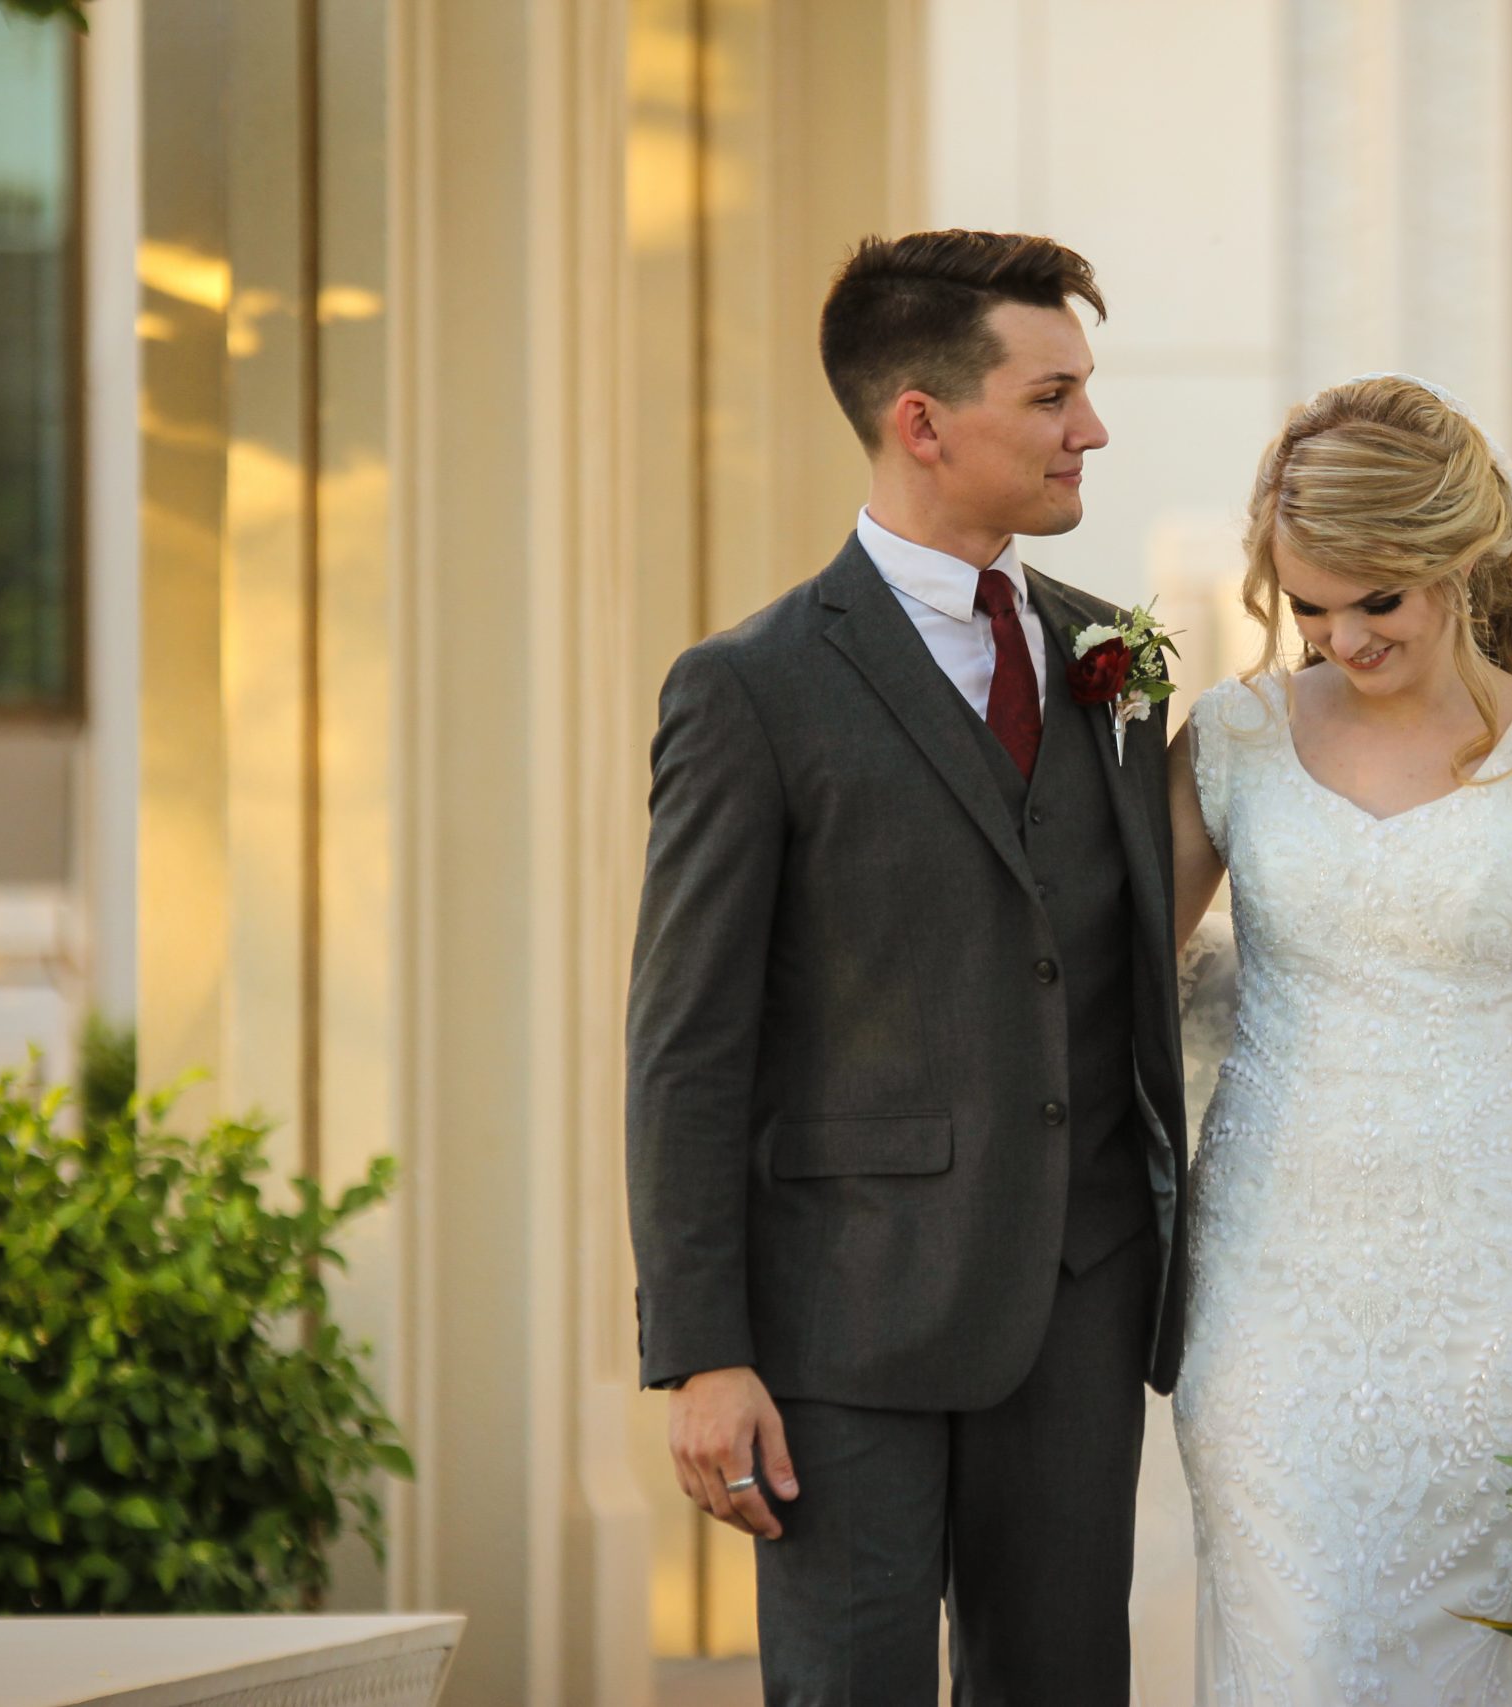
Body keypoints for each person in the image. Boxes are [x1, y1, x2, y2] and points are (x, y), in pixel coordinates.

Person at [623, 228, 1187, 1707]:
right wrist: (701, 1354)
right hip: (841, 1328)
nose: (1094, 431)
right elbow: (688, 1045)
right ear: (923, 423)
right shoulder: (749, 688)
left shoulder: (1117, 657)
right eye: (1054, 396)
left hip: (1081, 1303)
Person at [1166, 374, 1512, 1704]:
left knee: (1464, 1653)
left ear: (1454, 563)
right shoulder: (1230, 743)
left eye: (1376, 602)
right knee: (1291, 1649)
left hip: (1484, 1285)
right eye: (1308, 606)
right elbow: (1106, 980)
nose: (1341, 637)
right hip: (1264, 1286)